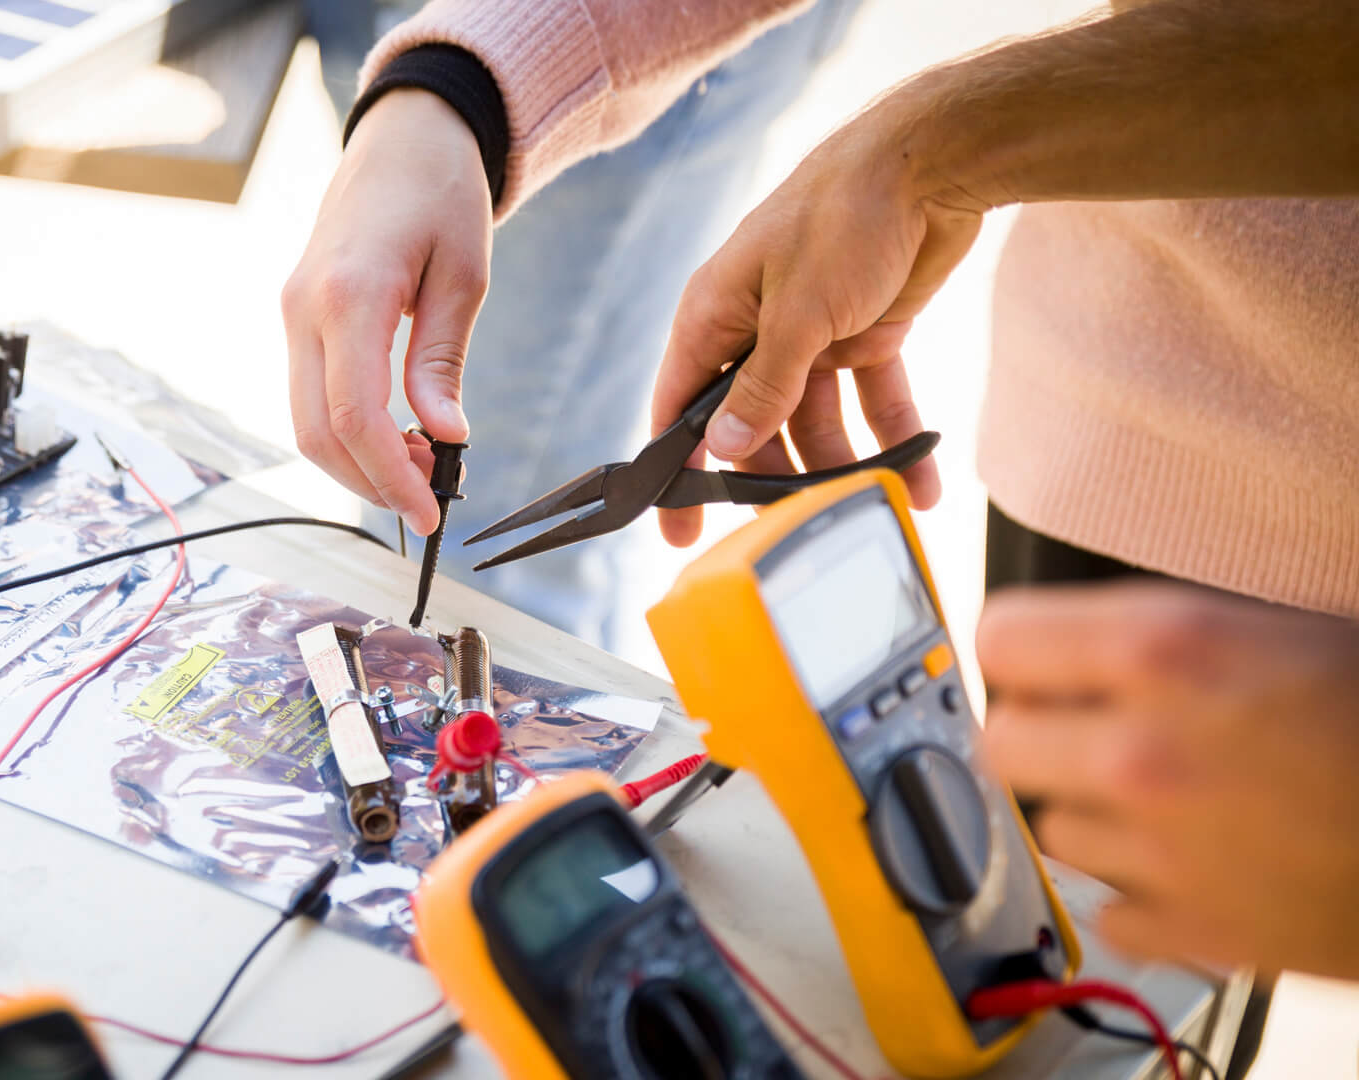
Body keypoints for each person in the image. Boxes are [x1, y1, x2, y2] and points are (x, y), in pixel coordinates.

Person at [286, 0, 1359, 987]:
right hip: (1112, 438)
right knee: (1045, 971)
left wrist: (935, 147)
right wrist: (462, 86)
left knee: (1148, 989)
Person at [290, 0, 862, 648]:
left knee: (491, 601)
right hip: (406, 57)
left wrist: (463, 80)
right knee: (419, 532)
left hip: (601, 47)